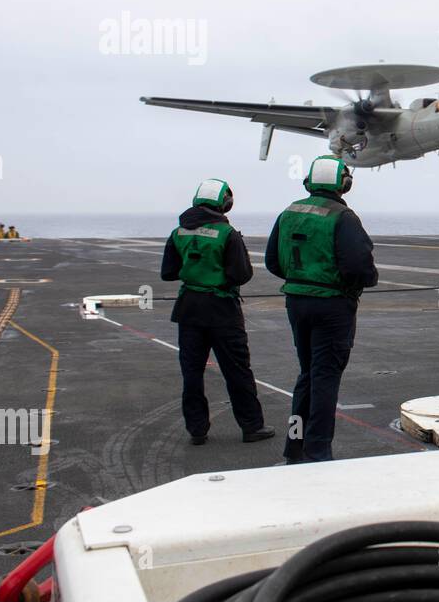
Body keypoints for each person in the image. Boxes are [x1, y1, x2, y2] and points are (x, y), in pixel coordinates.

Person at [265, 155, 377, 463]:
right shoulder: (343, 217)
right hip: (333, 307)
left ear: (309, 183)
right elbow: (360, 267)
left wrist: (302, 279)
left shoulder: (289, 212)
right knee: (326, 376)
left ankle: (296, 444)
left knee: (307, 374)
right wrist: (357, 283)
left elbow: (273, 261)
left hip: (296, 302)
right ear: (344, 183)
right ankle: (318, 451)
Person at [160, 179, 274, 445]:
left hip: (188, 308)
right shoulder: (227, 233)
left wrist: (195, 271)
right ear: (224, 203)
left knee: (192, 373)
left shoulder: (179, 233)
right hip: (222, 310)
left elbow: (168, 273)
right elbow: (241, 274)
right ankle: (251, 426)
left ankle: (197, 430)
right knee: (237, 371)